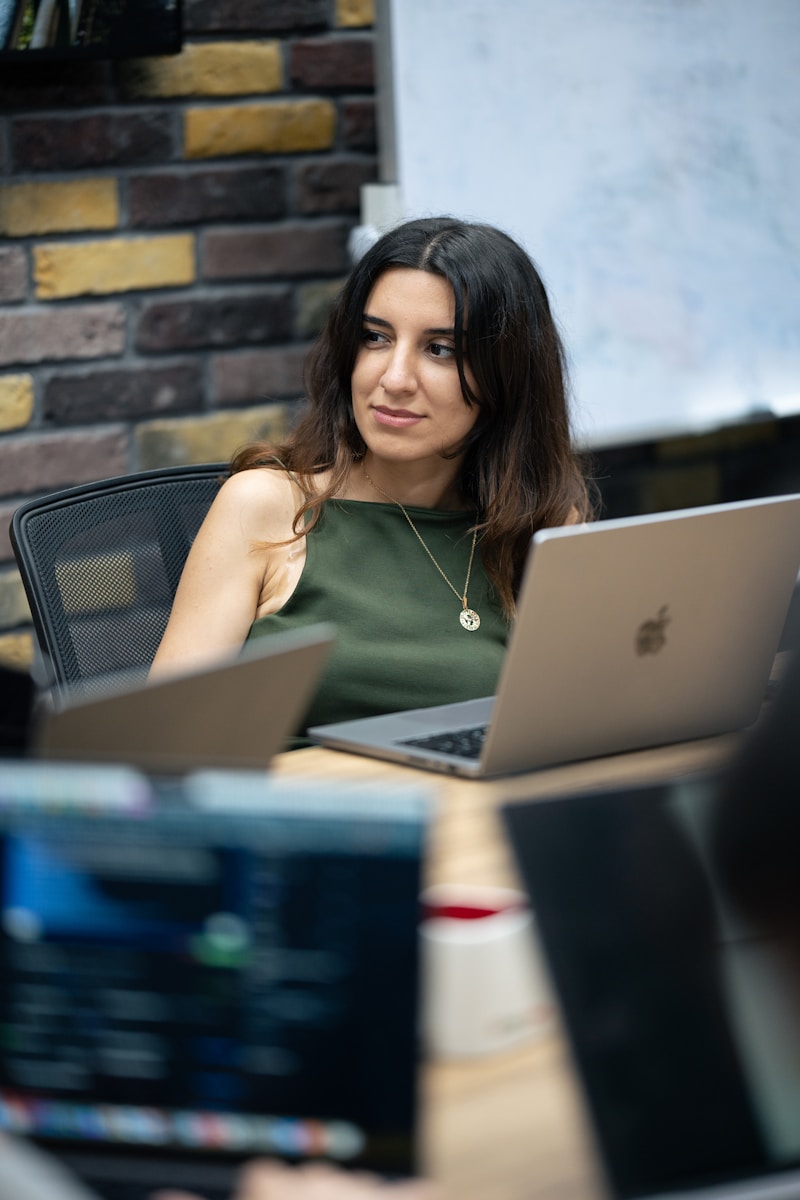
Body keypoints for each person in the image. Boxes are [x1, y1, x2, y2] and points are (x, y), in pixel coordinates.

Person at [149, 216, 594, 737]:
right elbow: (163, 738)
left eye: (440, 349)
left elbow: (566, 730)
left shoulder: (538, 527)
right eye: (375, 338)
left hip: (463, 811)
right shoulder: (266, 506)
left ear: (507, 375)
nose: (395, 379)